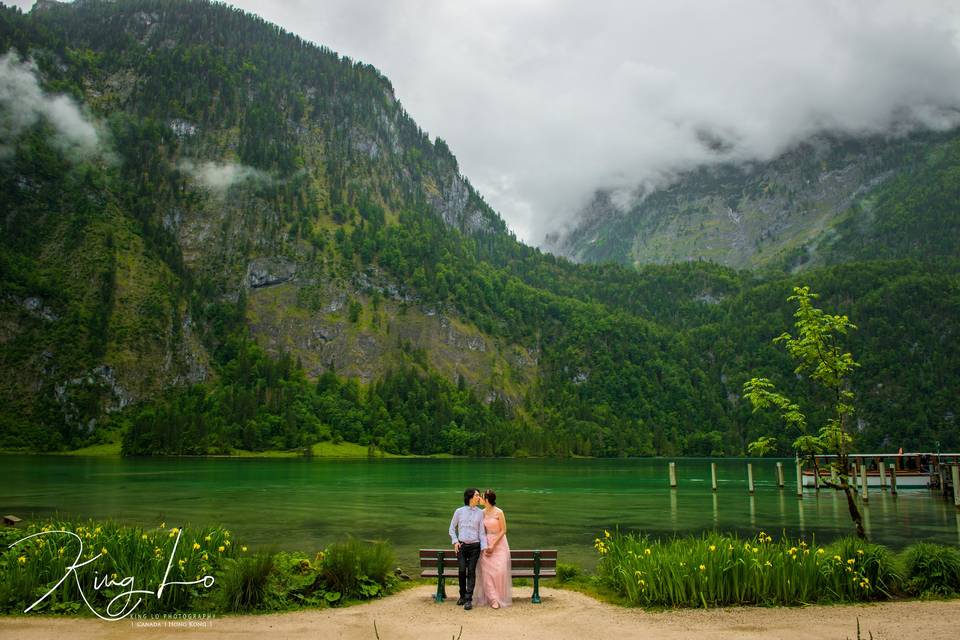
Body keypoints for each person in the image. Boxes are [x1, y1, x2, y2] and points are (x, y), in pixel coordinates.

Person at [448, 487, 487, 610]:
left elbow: (482, 532)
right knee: (461, 570)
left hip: (475, 546)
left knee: (471, 571)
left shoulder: (480, 513)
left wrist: (484, 547)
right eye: (476, 495)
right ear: (470, 497)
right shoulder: (459, 511)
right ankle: (462, 596)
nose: (478, 497)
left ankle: (468, 599)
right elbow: (451, 528)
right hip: (462, 546)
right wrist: (455, 541)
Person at [473, 489, 512, 609]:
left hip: (499, 543)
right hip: (486, 541)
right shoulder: (482, 512)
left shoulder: (499, 512)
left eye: (482, 497)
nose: (480, 499)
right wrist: (485, 544)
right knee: (486, 572)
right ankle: (493, 599)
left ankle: (500, 596)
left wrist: (493, 545)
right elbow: (481, 531)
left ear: (487, 500)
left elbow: (504, 530)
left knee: (499, 571)